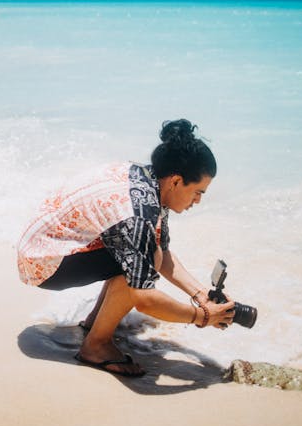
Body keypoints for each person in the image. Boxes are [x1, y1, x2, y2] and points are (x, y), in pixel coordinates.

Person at [17, 119, 234, 377]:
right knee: (141, 263)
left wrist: (200, 295)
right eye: (198, 192)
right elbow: (144, 299)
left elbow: (162, 253)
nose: (198, 201)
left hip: (44, 245)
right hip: (44, 263)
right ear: (176, 181)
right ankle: (95, 346)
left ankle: (95, 325)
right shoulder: (139, 215)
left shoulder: (148, 180)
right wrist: (202, 317)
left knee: (145, 254)